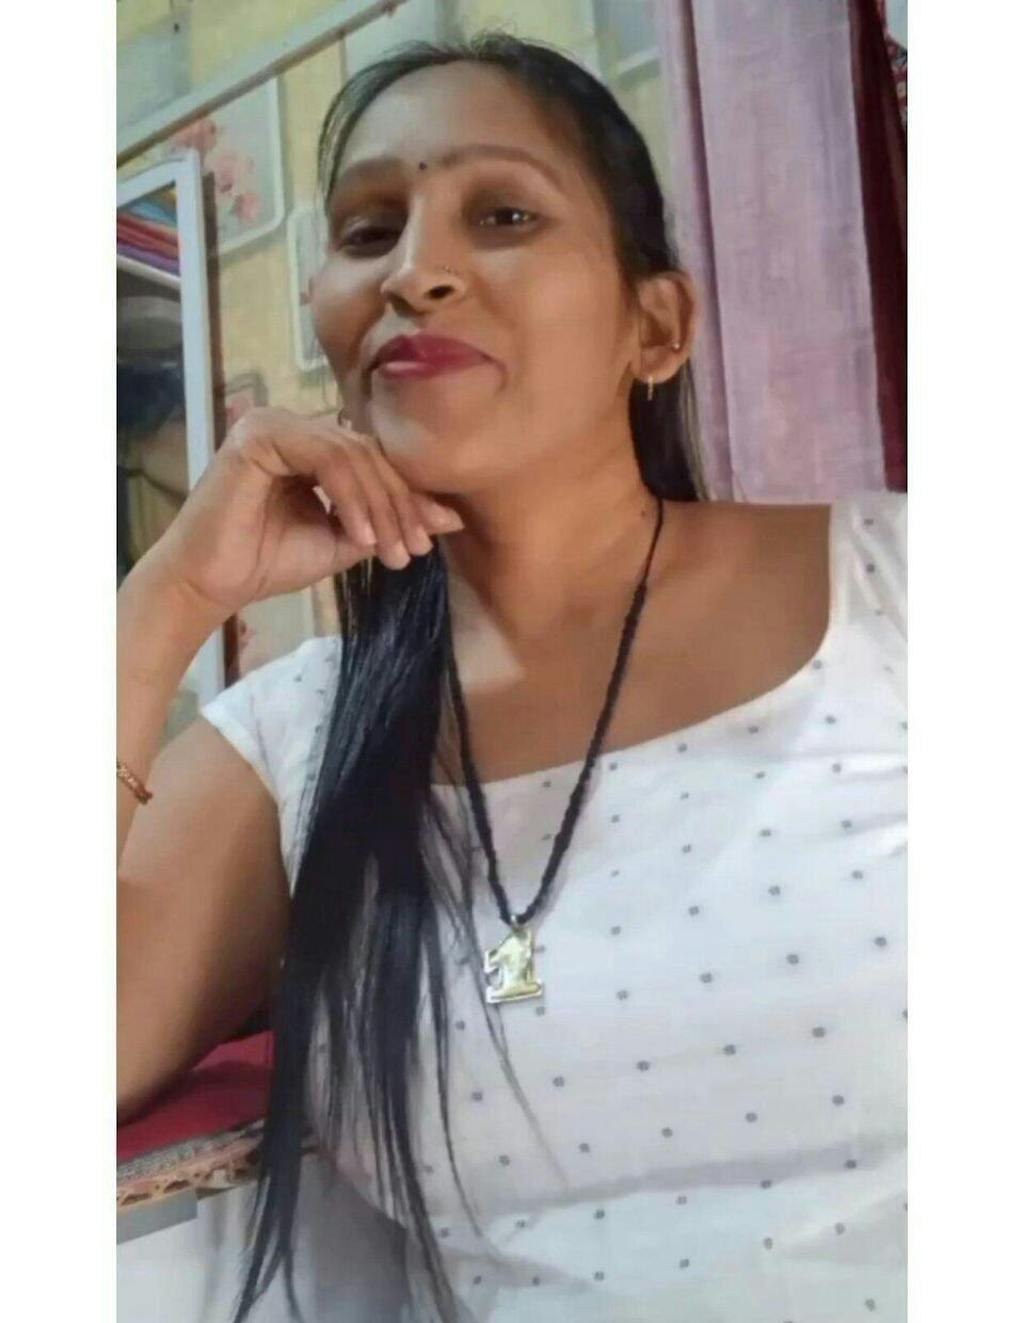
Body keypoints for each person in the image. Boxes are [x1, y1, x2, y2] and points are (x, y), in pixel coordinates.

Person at [116, 33, 907, 1323]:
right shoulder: (302, 740)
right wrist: (166, 601)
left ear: (658, 327)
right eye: (369, 231)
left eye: (503, 215)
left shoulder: (905, 589)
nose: (414, 271)